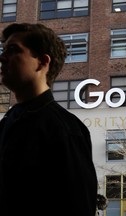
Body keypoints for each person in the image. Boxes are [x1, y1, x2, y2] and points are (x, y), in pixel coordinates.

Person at [0, 23, 98, 216]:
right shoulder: (7, 123)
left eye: (13, 50)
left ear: (42, 62)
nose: (2, 58)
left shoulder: (64, 129)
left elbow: (78, 205)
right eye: (4, 50)